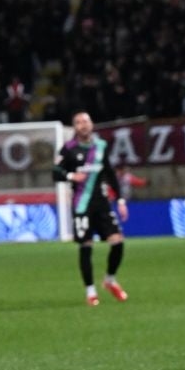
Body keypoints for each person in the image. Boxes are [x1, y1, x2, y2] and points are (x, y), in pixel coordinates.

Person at [53, 111, 129, 306]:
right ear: (74, 127)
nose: (83, 125)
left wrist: (120, 200)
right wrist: (71, 176)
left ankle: (110, 280)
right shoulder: (68, 149)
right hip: (81, 205)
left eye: (85, 121)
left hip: (102, 204)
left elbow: (110, 174)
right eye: (78, 122)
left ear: (92, 124)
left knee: (118, 242)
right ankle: (90, 292)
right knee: (86, 246)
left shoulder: (101, 147)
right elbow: (55, 172)